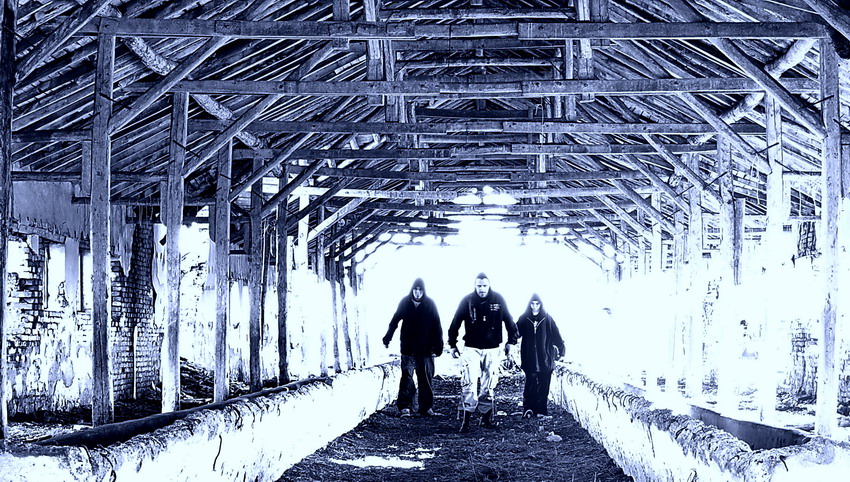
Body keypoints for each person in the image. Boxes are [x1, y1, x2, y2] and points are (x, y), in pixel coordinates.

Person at [448, 273, 518, 432]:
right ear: (475, 286)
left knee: (489, 383)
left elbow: (510, 323)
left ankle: (485, 419)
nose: (482, 289)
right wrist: (452, 345)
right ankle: (466, 421)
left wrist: (511, 342)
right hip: (471, 348)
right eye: (479, 286)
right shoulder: (467, 301)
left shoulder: (498, 300)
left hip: (492, 349)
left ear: (489, 285)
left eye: (484, 285)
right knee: (469, 383)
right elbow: (455, 323)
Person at [383, 278, 444, 417]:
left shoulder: (430, 304)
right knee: (407, 377)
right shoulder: (405, 302)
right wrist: (387, 337)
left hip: (426, 349)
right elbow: (395, 321)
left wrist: (438, 346)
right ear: (412, 290)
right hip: (408, 348)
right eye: (415, 289)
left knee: (425, 378)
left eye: (420, 290)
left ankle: (426, 408)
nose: (417, 292)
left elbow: (437, 326)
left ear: (424, 291)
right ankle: (405, 407)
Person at [516, 294, 565, 418]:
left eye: (537, 303)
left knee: (544, 385)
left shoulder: (547, 318)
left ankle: (541, 411)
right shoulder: (524, 318)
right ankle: (528, 409)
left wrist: (561, 350)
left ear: (541, 304)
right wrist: (510, 342)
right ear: (529, 304)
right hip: (529, 357)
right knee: (530, 383)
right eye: (532, 303)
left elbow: (556, 335)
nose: (535, 306)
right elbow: (515, 333)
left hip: (545, 358)